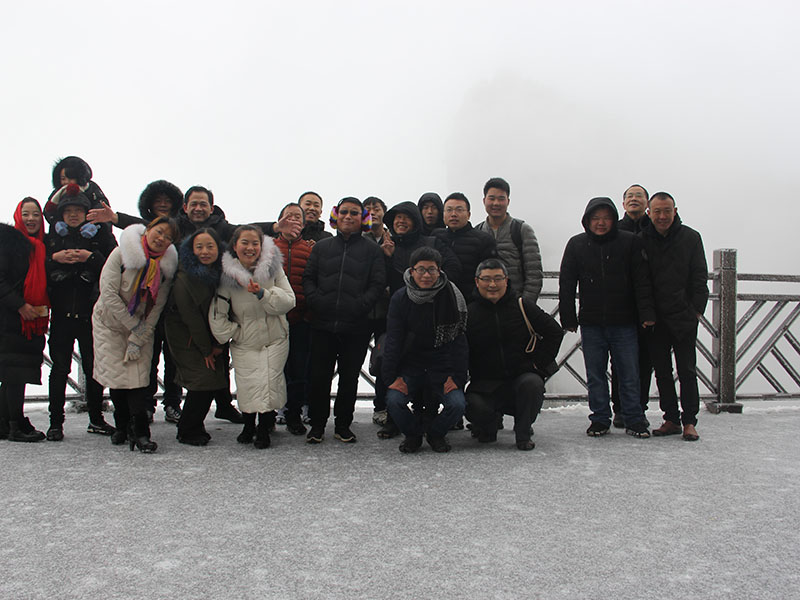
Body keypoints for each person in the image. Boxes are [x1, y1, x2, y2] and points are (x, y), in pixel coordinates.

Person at [559, 197, 655, 438]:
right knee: (595, 374)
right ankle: (600, 418)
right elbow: (567, 283)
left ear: (614, 219)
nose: (601, 223)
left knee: (629, 373)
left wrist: (646, 314)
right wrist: (568, 317)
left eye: (606, 218)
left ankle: (634, 418)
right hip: (591, 322)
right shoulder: (576, 244)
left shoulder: (629, 242)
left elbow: (641, 282)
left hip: (625, 321)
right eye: (595, 218)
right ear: (587, 220)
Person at [302, 197, 386, 444]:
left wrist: (360, 306)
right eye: (344, 212)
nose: (348, 217)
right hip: (322, 324)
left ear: (363, 219)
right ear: (336, 216)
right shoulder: (322, 247)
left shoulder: (372, 250)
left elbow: (377, 283)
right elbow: (308, 278)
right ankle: (317, 425)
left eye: (354, 213)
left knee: (349, 378)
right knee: (319, 378)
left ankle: (343, 425)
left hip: (356, 326)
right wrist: (317, 301)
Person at [92, 217, 179, 453]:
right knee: (117, 377)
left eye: (168, 237)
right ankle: (122, 426)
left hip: (142, 325)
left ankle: (141, 432)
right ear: (148, 230)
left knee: (139, 379)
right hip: (109, 324)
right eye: (159, 232)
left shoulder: (165, 268)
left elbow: (157, 306)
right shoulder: (120, 254)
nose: (161, 239)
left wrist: (139, 335)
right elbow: (108, 294)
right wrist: (132, 326)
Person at [210, 225, 295, 449]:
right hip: (245, 340)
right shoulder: (227, 276)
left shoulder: (273, 269)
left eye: (255, 243)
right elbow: (217, 314)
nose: (250, 248)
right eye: (244, 243)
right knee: (247, 383)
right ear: (235, 246)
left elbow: (289, 301)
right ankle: (248, 424)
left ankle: (265, 427)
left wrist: (262, 294)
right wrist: (235, 333)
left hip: (275, 337)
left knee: (270, 381)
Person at [466, 259, 563, 450]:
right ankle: (488, 425)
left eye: (497, 278)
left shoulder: (522, 306)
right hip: (485, 384)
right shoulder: (470, 313)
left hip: (520, 378)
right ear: (477, 282)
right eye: (486, 279)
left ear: (506, 280)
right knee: (473, 405)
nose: (492, 285)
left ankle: (523, 432)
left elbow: (554, 332)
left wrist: (538, 365)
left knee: (533, 384)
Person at [44, 184, 117, 440]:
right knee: (59, 369)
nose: (73, 214)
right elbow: (39, 269)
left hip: (90, 316)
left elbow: (114, 265)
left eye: (78, 210)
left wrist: (90, 256)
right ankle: (55, 423)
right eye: (68, 210)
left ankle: (96, 419)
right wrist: (55, 259)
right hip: (62, 316)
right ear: (61, 216)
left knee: (94, 369)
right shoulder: (52, 238)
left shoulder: (98, 236)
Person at [383, 247, 468, 453]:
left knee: (457, 404)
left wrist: (456, 378)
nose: (426, 275)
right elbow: (393, 339)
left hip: (442, 364)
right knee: (394, 400)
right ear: (411, 271)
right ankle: (413, 434)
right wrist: (391, 378)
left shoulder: (451, 296)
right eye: (421, 269)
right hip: (410, 365)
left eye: (432, 270)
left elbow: (459, 340)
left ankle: (435, 433)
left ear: (440, 271)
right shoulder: (401, 298)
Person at [640, 192, 709, 441]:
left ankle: (690, 420)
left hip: (684, 317)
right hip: (655, 320)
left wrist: (695, 311)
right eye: (656, 211)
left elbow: (700, 277)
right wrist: (647, 314)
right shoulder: (642, 240)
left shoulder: (691, 238)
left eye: (666, 210)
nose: (661, 216)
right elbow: (641, 283)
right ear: (649, 213)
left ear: (675, 211)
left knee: (687, 370)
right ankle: (671, 418)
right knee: (662, 372)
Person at [164, 228, 230, 446]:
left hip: (208, 335)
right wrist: (207, 349)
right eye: (199, 247)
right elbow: (191, 317)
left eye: (210, 246)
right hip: (187, 337)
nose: (205, 251)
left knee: (209, 380)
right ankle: (188, 429)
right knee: (204, 379)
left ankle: (192, 424)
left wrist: (218, 342)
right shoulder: (185, 278)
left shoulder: (219, 273)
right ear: (190, 250)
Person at [0, 198, 50, 442]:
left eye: (36, 214)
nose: (31, 219)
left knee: (14, 373)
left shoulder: (42, 245)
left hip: (31, 321)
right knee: (14, 374)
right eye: (26, 214)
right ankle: (15, 425)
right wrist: (20, 305)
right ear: (18, 216)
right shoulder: (8, 242)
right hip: (10, 320)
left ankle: (5, 423)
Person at [611, 183, 653, 427]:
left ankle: (639, 407)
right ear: (623, 203)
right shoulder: (614, 230)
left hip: (649, 307)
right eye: (630, 196)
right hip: (621, 306)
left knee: (645, 362)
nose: (634, 199)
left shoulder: (655, 229)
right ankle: (620, 409)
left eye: (639, 195)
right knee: (619, 361)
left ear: (647, 202)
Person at [273, 203, 314, 435]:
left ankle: (294, 415)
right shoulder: (267, 247)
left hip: (300, 320)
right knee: (274, 369)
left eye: (298, 217)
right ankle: (272, 412)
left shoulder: (309, 250)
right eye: (288, 216)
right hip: (273, 321)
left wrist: (308, 313)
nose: (293, 220)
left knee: (299, 371)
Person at [475, 177, 543, 302]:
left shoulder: (522, 230)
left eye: (501, 199)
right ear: (484, 201)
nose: (496, 203)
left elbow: (534, 274)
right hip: (485, 306)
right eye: (492, 198)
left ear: (508, 201)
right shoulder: (477, 232)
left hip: (516, 303)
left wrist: (524, 306)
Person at [432, 192, 497, 298]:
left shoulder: (484, 240)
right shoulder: (436, 237)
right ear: (443, 214)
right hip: (440, 298)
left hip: (471, 300)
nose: (453, 214)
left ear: (468, 214)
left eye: (459, 210)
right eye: (449, 210)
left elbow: (489, 275)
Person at [362, 196, 391, 426]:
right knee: (350, 362)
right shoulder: (355, 239)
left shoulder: (395, 238)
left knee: (383, 360)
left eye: (377, 208)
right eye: (368, 208)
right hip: (360, 310)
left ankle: (381, 406)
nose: (373, 211)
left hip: (385, 311)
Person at [44, 156, 110, 226]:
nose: (66, 182)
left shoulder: (90, 188)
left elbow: (102, 208)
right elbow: (48, 211)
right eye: (63, 179)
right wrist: (57, 222)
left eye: (70, 178)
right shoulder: (58, 193)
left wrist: (93, 224)